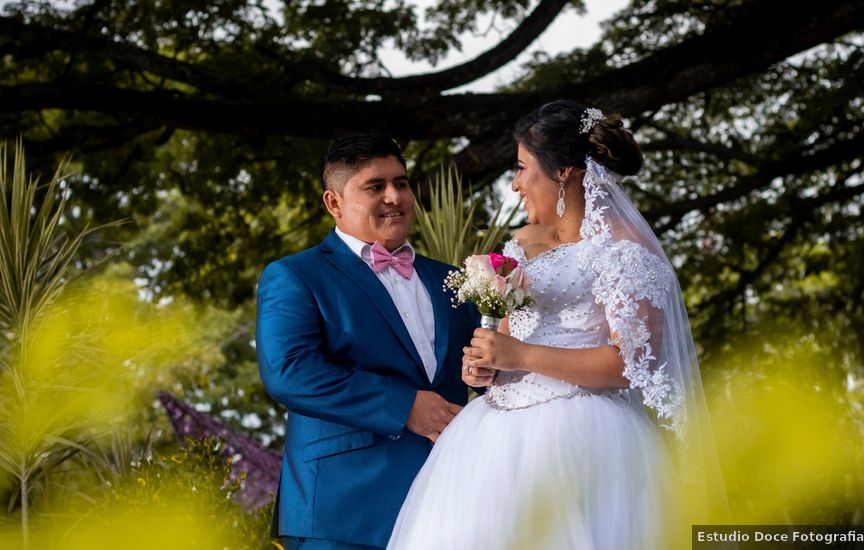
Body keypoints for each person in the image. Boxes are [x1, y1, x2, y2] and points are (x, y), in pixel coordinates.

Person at [388, 101, 730, 549]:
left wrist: (521, 356)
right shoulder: (522, 245)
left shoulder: (625, 250)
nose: (514, 184)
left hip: (585, 435)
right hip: (490, 440)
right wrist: (489, 367)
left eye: (522, 167)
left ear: (564, 171)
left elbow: (628, 363)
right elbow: (509, 340)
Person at [256, 130, 479, 550]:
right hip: (345, 512)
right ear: (334, 203)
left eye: (401, 182)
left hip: (450, 502)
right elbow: (289, 373)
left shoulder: (454, 279)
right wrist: (404, 406)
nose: (394, 196)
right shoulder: (295, 276)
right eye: (375, 187)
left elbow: (483, 373)